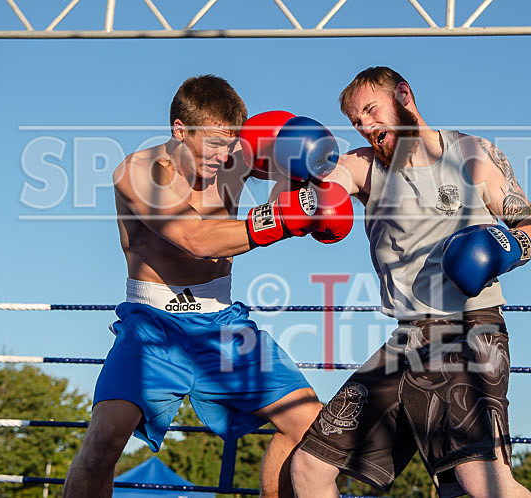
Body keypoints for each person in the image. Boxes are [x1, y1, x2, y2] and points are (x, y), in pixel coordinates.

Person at [62, 75, 352, 498]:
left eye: (231, 143)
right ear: (180, 130)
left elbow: (296, 173)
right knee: (104, 439)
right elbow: (195, 239)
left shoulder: (233, 155)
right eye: (213, 143)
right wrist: (287, 217)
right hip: (153, 326)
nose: (223, 156)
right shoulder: (139, 172)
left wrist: (307, 177)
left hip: (224, 323)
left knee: (311, 426)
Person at [290, 67, 531, 498]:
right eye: (357, 122)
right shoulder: (363, 167)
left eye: (372, 111)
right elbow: (321, 190)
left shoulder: (473, 154)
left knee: (479, 481)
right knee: (309, 467)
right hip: (406, 342)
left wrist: (502, 248)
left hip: (469, 330)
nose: (367, 127)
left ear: (404, 96)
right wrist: (297, 178)